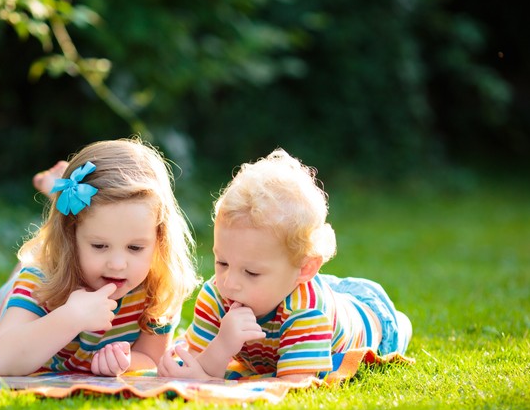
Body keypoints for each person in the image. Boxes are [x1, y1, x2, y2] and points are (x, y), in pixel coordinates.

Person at [0, 138, 199, 376]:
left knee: (80, 230)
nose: (118, 264)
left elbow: (151, 357)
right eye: (100, 246)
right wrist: (71, 316)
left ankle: (60, 196)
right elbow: (5, 360)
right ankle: (59, 196)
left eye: (135, 248)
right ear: (71, 238)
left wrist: (125, 361)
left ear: (159, 239)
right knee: (31, 264)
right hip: (51, 281)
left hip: (73, 250)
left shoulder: (158, 286)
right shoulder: (40, 279)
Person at [157, 148, 412, 381]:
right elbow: (194, 366)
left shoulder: (307, 312)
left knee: (395, 329)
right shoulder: (216, 296)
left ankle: (400, 324)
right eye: (222, 262)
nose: (229, 282)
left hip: (368, 317)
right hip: (311, 289)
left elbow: (293, 385)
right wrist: (222, 345)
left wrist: (209, 382)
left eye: (252, 272)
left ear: (304, 270)